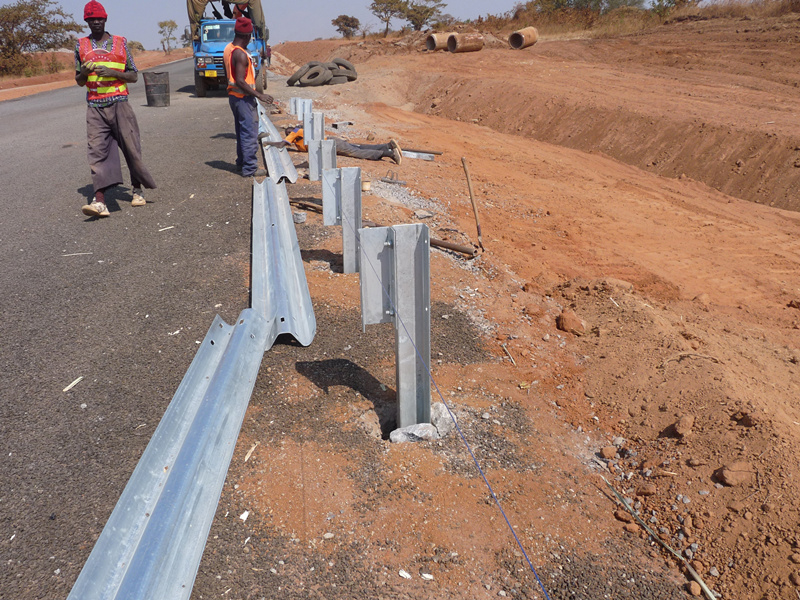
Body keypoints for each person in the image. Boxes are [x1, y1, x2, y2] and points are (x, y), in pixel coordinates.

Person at [75, 0, 156, 218]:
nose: (96, 22)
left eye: (99, 19)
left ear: (105, 19)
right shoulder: (81, 45)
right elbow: (79, 80)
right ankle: (99, 201)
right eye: (92, 20)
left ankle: (137, 190)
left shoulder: (120, 43)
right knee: (97, 152)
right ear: (87, 22)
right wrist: (83, 71)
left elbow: (134, 75)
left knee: (131, 148)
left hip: (120, 103)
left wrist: (111, 73)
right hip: (95, 107)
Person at [224, 17, 273, 177]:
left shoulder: (229, 48)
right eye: (250, 36)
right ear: (246, 36)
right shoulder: (241, 54)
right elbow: (240, 80)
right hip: (243, 98)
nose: (250, 39)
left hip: (234, 98)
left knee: (241, 131)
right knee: (249, 133)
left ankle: (241, 163)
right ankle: (250, 168)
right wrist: (260, 95)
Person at [276, 126, 403, 165]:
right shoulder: (298, 142)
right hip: (332, 143)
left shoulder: (297, 131)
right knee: (358, 147)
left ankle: (389, 153)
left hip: (331, 144)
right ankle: (387, 146)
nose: (288, 135)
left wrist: (271, 144)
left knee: (356, 153)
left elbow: (283, 143)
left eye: (288, 133)